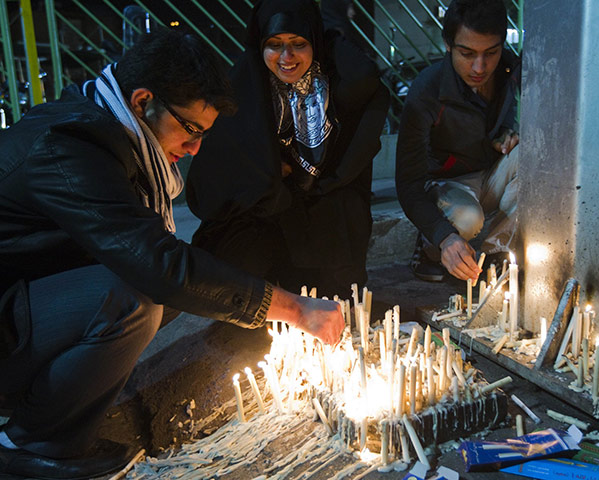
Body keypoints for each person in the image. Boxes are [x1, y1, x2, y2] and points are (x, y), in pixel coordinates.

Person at [0, 29, 344, 480]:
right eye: (191, 129)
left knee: (146, 295)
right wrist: (295, 309)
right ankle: (29, 445)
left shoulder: (104, 129)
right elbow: (158, 264)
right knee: (133, 298)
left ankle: (45, 417)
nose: (195, 148)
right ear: (143, 102)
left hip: (19, 298)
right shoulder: (70, 151)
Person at [186, 0, 389, 300]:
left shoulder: (336, 83)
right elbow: (221, 171)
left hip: (319, 201)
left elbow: (366, 88)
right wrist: (269, 169)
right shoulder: (246, 82)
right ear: (261, 45)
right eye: (275, 44)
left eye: (298, 44)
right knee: (242, 275)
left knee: (338, 289)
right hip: (265, 207)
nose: (287, 57)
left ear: (315, 43)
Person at [396, 0, 520, 283]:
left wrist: (504, 135)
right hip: (447, 185)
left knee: (536, 159)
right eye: (467, 53)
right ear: (448, 44)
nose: (480, 66)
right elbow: (408, 184)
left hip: (488, 174)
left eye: (491, 52)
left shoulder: (509, 72)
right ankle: (429, 249)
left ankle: (492, 258)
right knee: (466, 218)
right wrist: (443, 236)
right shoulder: (427, 92)